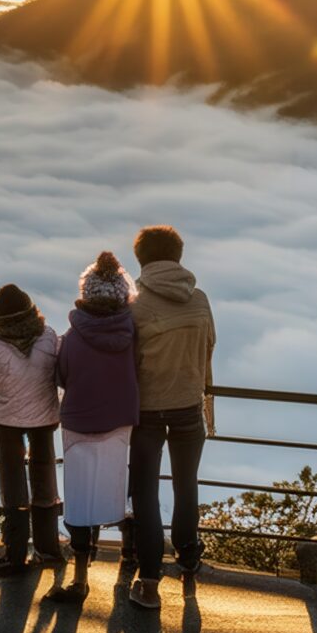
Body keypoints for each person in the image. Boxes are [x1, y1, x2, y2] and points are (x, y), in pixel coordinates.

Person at [122, 225, 216, 610]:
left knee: (145, 492)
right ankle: (189, 555)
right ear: (178, 256)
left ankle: (148, 580)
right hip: (190, 406)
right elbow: (208, 347)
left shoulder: (135, 307)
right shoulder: (201, 300)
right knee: (185, 484)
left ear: (141, 260)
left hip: (146, 410)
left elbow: (127, 363)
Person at [44, 251, 140, 604]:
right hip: (120, 419)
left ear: (86, 293)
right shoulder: (133, 333)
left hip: (80, 422)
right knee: (116, 486)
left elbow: (62, 377)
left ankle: (80, 578)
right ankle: (129, 552)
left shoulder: (71, 338)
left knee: (80, 501)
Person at [0, 283, 64, 577]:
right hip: (44, 418)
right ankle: (49, 550)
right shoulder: (50, 337)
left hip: (6, 421)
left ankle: (15, 554)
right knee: (45, 482)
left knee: (12, 485)